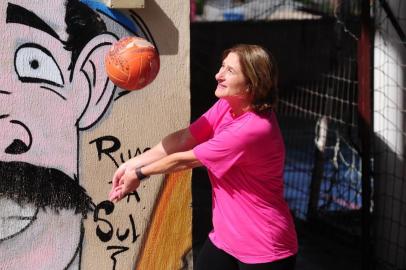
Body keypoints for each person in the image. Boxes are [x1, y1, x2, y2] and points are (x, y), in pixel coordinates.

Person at [109, 44, 298, 270]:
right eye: (222, 66)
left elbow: (185, 159)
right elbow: (184, 138)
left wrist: (139, 174)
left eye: (230, 71)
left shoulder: (253, 129)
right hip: (225, 238)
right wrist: (132, 163)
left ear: (251, 84)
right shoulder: (227, 107)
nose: (218, 75)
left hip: (264, 248)